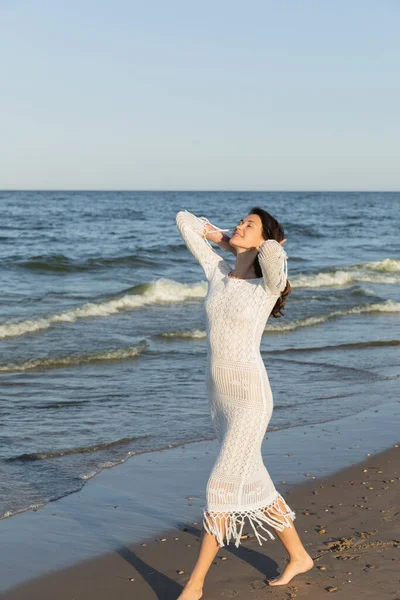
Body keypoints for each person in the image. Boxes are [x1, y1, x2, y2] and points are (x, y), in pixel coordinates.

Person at [175, 208, 313, 600]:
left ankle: (195, 585)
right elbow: (184, 220)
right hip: (220, 400)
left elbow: (273, 261)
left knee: (220, 487)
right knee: (255, 483)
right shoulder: (217, 272)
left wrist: (265, 242)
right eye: (240, 220)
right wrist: (226, 240)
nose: (239, 225)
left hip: (251, 400)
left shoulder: (266, 287)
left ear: (263, 239)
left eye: (248, 225)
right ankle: (299, 556)